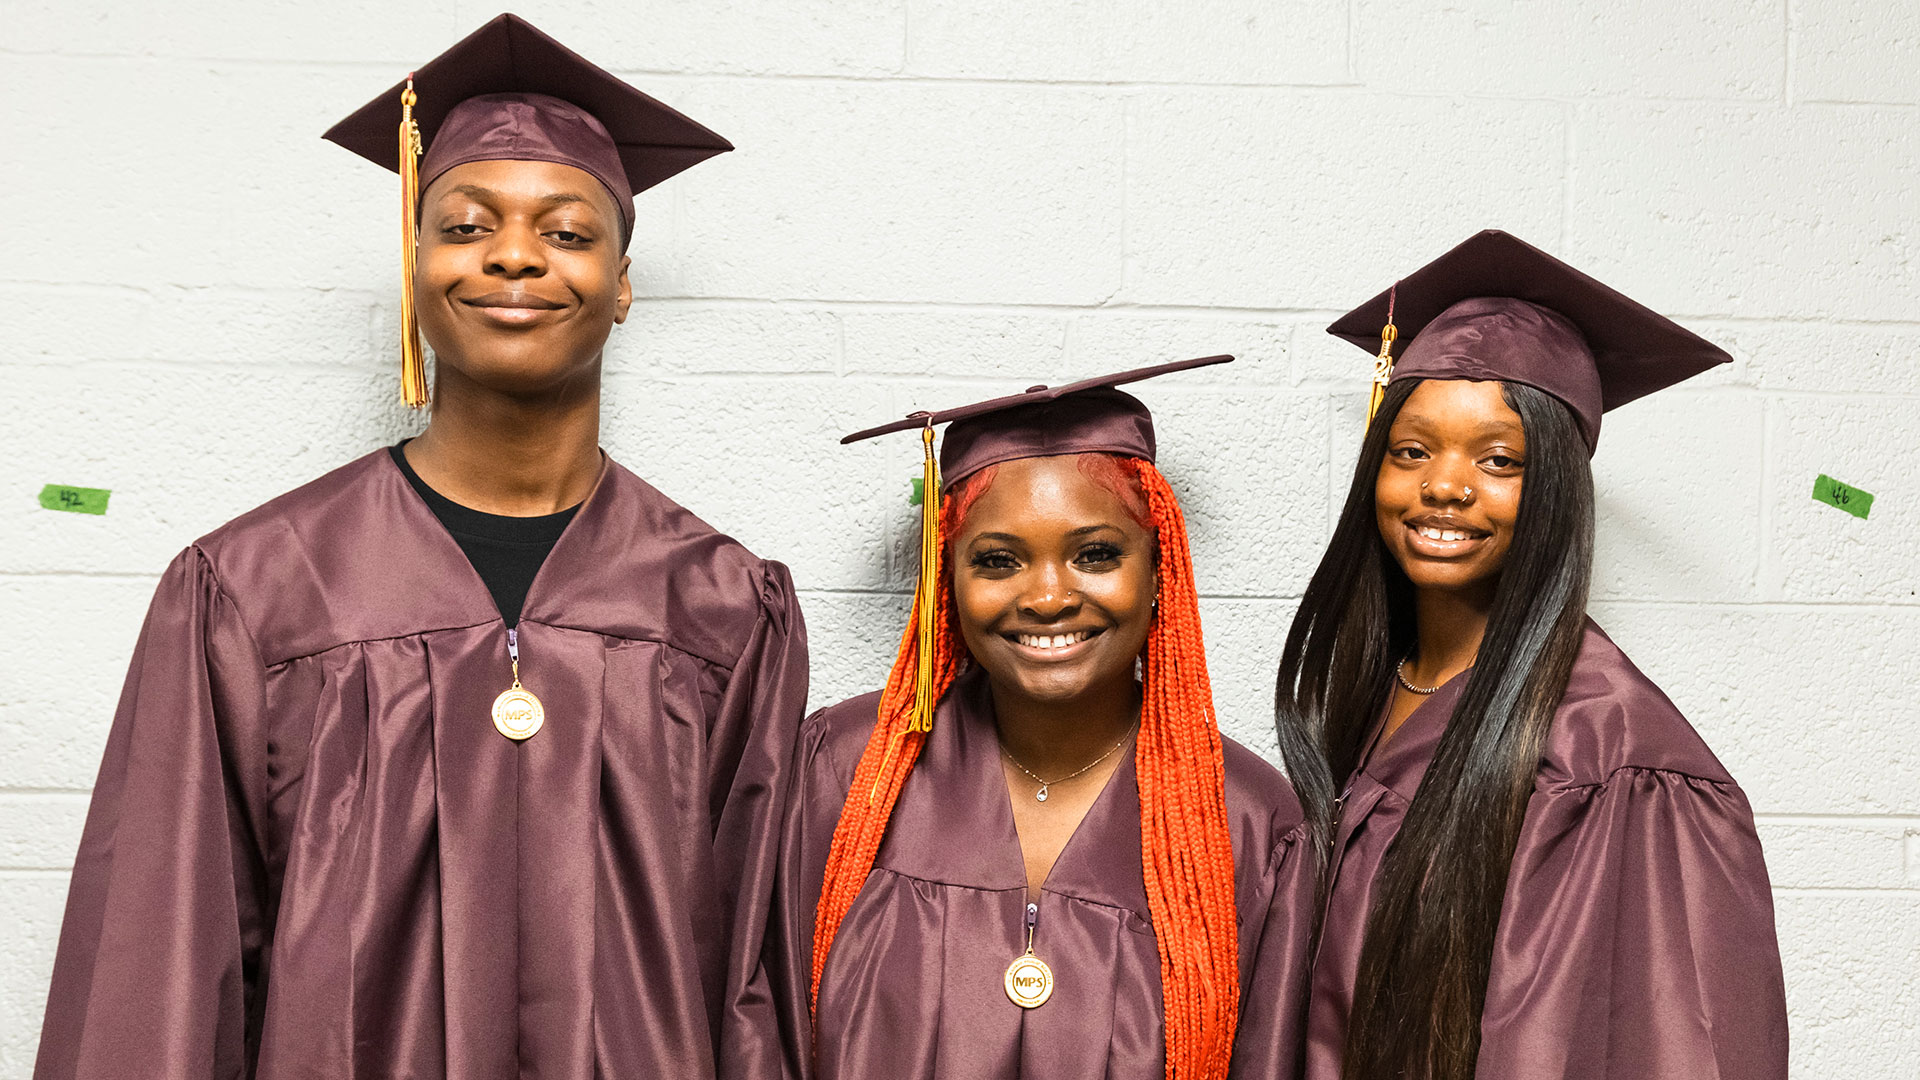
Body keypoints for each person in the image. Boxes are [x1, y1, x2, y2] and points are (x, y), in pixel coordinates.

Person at [34, 15, 807, 1079]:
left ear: (623, 286)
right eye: (465, 224)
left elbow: (751, 992)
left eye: (571, 232)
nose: (515, 254)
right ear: (416, 268)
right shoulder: (253, 592)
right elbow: (158, 963)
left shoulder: (721, 606)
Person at [1275, 230, 1788, 1080]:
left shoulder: (1615, 756)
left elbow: (1672, 1046)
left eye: (1499, 459)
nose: (1445, 484)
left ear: (1555, 484)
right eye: (1412, 450)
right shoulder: (1377, 693)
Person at [767, 357, 1314, 1080]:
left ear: (1158, 569)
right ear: (946, 576)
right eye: (997, 561)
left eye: (1095, 554)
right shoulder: (848, 770)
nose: (1049, 596)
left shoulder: (1247, 820)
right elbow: (763, 1035)